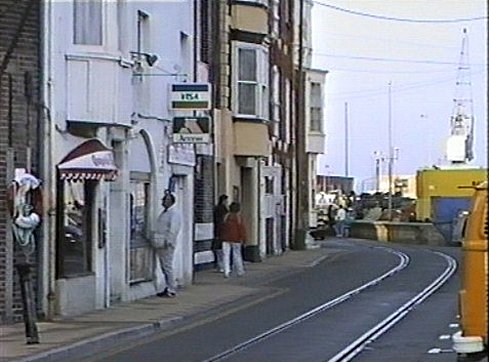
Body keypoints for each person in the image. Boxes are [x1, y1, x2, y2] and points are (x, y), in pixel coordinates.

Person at [154, 191, 182, 298]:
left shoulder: (174, 213)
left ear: (170, 201)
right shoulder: (165, 212)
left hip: (166, 244)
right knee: (164, 266)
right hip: (161, 243)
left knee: (167, 266)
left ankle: (171, 289)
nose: (162, 201)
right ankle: (168, 287)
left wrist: (168, 242)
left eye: (164, 199)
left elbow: (173, 229)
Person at [221, 202, 246, 278]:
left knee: (225, 255)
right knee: (237, 255)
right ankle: (239, 271)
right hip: (236, 239)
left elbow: (222, 227)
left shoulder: (226, 217)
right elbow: (242, 229)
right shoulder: (238, 218)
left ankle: (226, 271)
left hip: (225, 238)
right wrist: (243, 238)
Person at [213, 194, 229, 272]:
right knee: (222, 250)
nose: (227, 202)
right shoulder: (223, 209)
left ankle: (219, 265)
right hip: (222, 231)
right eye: (226, 200)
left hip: (217, 231)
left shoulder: (216, 208)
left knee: (218, 249)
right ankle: (222, 266)